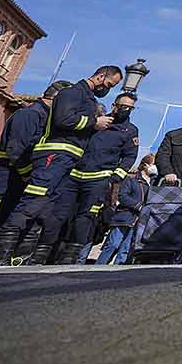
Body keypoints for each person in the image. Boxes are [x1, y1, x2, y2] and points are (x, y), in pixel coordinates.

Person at [0, 65, 121, 265]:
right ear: (101, 76)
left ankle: (21, 255)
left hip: (68, 158)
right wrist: (93, 122)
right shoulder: (72, 92)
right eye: (110, 84)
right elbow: (63, 119)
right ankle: (0, 253)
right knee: (33, 201)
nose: (108, 88)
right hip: (55, 155)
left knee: (45, 207)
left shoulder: (87, 99)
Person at [57, 92, 139, 264]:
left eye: (130, 108)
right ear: (114, 105)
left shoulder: (130, 131)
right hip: (74, 175)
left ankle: (73, 257)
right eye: (123, 106)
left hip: (99, 178)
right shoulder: (100, 122)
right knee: (63, 213)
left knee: (86, 218)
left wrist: (117, 175)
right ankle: (55, 250)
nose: (125, 110)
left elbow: (130, 156)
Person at [0, 81, 71, 243]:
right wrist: (27, 174)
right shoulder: (31, 114)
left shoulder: (47, 118)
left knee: (8, 215)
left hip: (20, 176)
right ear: (57, 98)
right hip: (7, 174)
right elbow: (16, 149)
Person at [97, 156, 155, 265]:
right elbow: (122, 196)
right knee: (113, 244)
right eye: (153, 164)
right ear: (145, 165)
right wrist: (138, 206)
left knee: (126, 248)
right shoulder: (132, 180)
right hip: (125, 217)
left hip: (139, 220)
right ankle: (98, 267)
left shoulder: (153, 183)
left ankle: (117, 272)